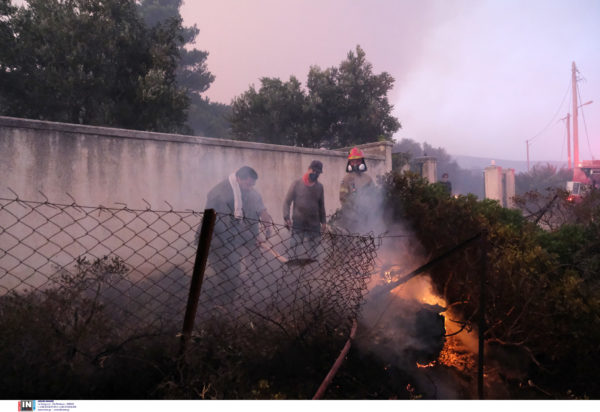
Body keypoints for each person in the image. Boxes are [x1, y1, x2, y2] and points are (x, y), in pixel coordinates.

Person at [203, 166, 272, 306]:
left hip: (231, 240)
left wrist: (265, 216)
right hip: (214, 240)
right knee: (230, 276)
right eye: (248, 184)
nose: (250, 188)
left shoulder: (244, 190)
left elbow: (257, 203)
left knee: (232, 275)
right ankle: (217, 306)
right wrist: (252, 238)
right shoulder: (220, 193)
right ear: (239, 178)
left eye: (253, 185)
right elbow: (227, 225)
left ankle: (222, 304)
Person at [283, 160, 326, 258]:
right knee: (295, 247)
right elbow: (287, 202)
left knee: (314, 249)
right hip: (299, 222)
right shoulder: (296, 184)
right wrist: (286, 217)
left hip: (314, 223)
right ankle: (293, 266)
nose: (315, 174)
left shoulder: (320, 187)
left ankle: (314, 268)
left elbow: (321, 205)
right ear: (308, 169)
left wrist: (323, 222)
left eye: (318, 173)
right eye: (314, 171)